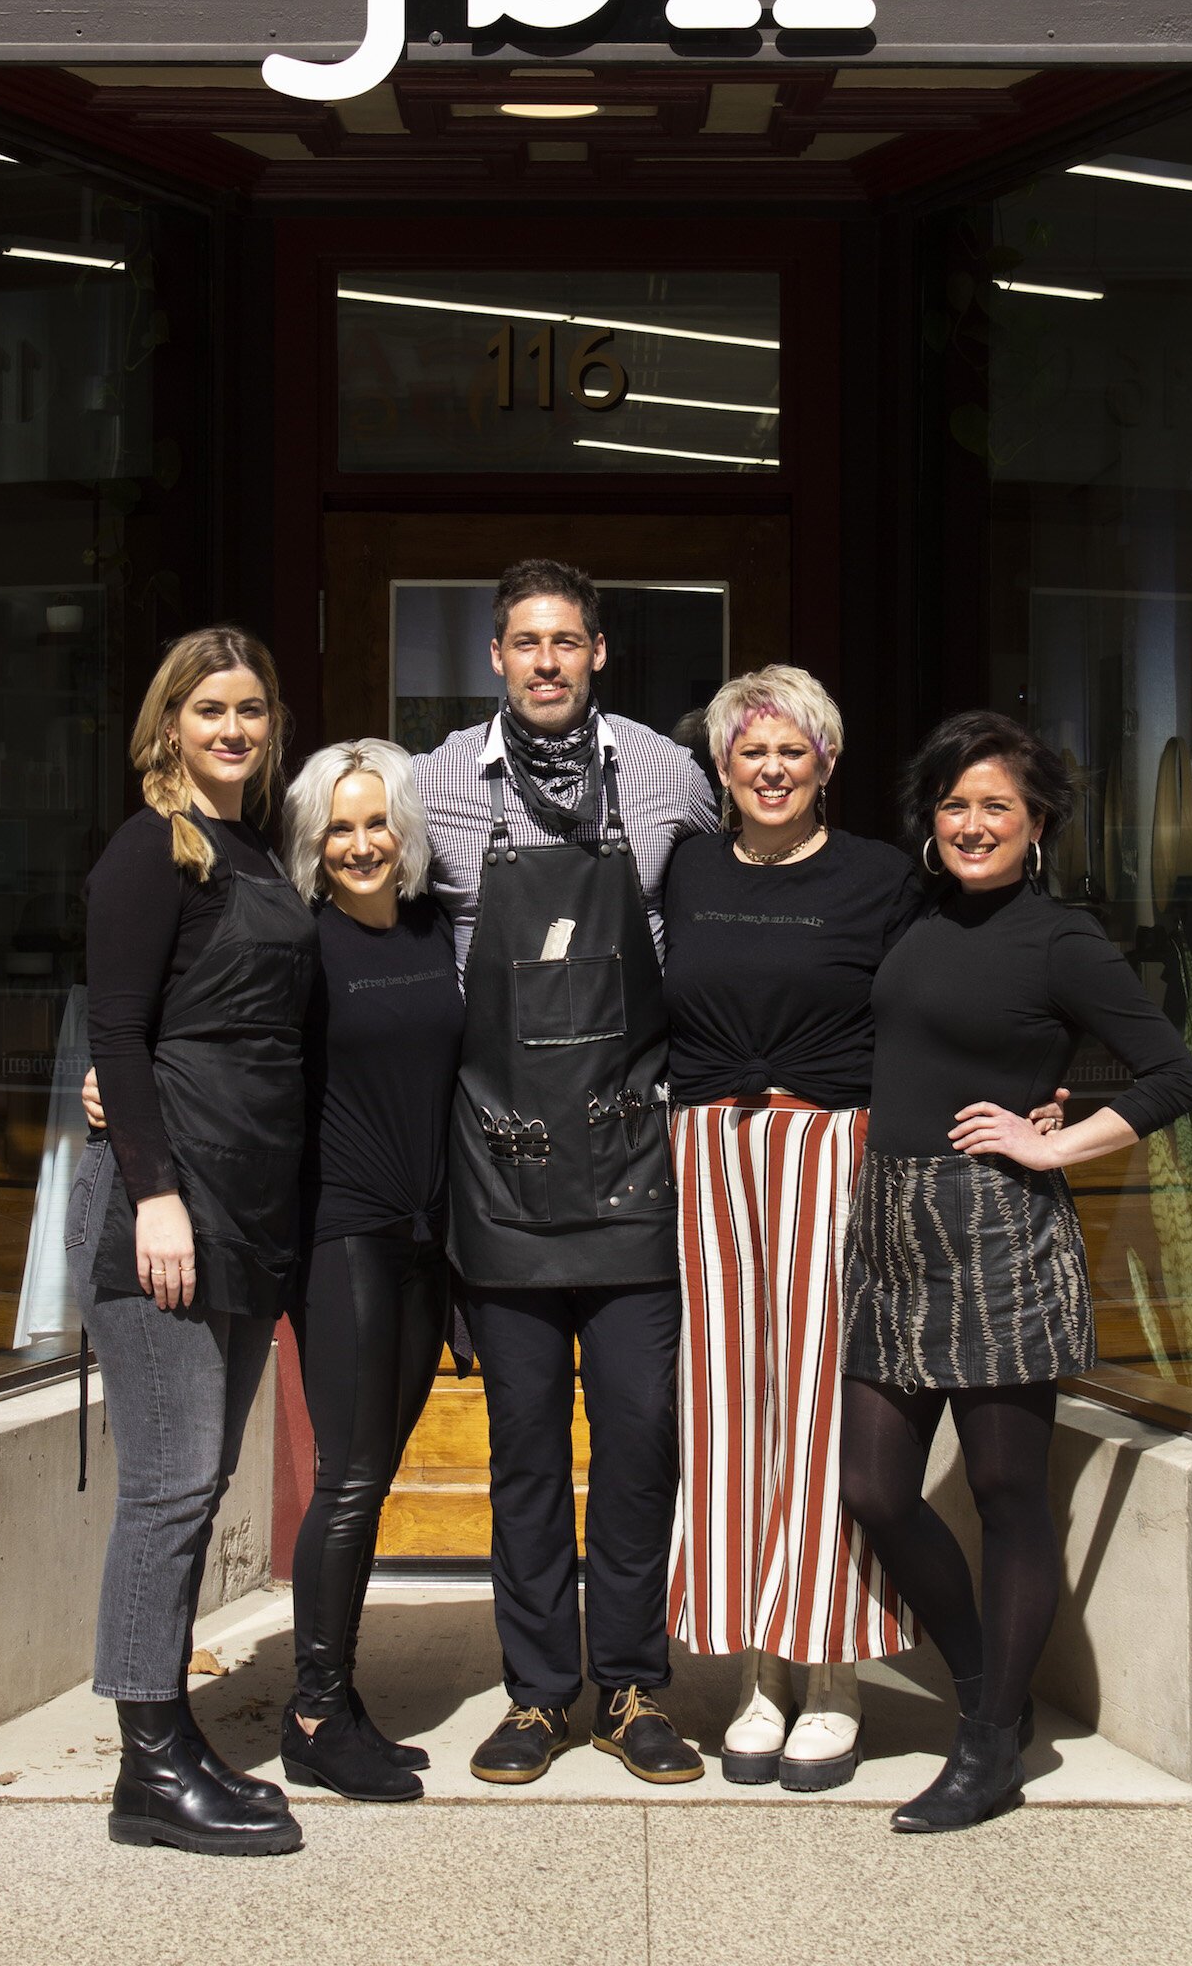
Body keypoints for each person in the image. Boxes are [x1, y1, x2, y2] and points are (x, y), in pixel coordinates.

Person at [838, 710, 1192, 1835]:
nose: (972, 824)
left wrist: (1054, 1142)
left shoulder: (1062, 940)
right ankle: (985, 1691)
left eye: (996, 806)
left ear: (1037, 822)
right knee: (874, 1492)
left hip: (997, 1232)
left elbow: (1173, 1074)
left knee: (1005, 1495)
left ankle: (990, 1743)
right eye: (954, 805)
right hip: (891, 1230)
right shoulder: (914, 913)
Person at [412, 558, 719, 1785]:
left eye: (566, 641)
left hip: (633, 1162)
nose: (546, 662)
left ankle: (633, 1687)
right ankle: (538, 1695)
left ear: (598, 652)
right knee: (526, 1450)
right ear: (496, 656)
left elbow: (728, 917)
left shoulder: (665, 773)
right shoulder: (432, 783)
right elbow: (349, 923)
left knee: (640, 1436)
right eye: (525, 643)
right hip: (501, 1167)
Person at [66, 626, 316, 1856]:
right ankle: (151, 1765)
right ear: (168, 723)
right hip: (167, 1213)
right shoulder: (147, 851)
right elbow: (116, 1032)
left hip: (247, 1209)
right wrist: (153, 1192)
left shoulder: (254, 852)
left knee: (198, 1482)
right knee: (168, 1488)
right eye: (209, 708)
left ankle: (168, 1745)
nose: (232, 728)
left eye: (250, 709)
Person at [662, 665, 923, 1790]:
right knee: (725, 1415)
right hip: (708, 1153)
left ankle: (833, 1673)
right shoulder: (686, 867)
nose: (771, 770)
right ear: (722, 767)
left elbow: (933, 1008)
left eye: (792, 750)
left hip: (832, 1152)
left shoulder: (880, 877)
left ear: (827, 761)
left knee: (821, 1411)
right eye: (750, 752)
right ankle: (756, 1668)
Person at [277, 739, 463, 1804]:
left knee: (374, 1475)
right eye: (338, 828)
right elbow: (225, 1046)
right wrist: (119, 1088)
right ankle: (313, 1712)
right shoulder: (303, 945)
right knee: (347, 1480)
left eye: (376, 822)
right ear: (314, 841)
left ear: (405, 829)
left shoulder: (437, 931)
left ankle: (337, 1701)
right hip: (342, 1232)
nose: (359, 844)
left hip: (426, 1240)